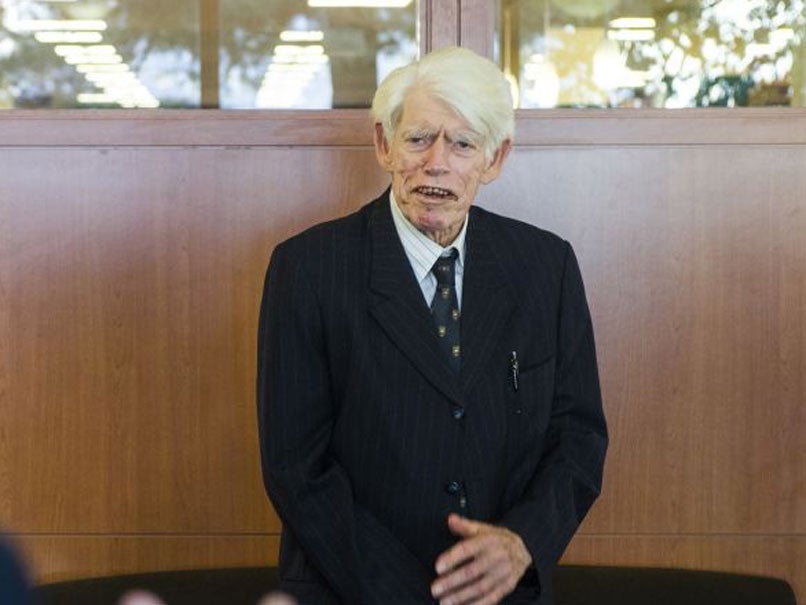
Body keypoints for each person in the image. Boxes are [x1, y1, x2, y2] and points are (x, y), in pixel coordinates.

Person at [257, 46, 607, 605]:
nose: (436, 163)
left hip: (502, 594)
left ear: (495, 159)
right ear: (384, 145)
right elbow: (296, 467)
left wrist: (522, 543)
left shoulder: (546, 267)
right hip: (351, 590)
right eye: (419, 139)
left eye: (463, 144)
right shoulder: (308, 269)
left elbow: (579, 437)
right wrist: (410, 593)